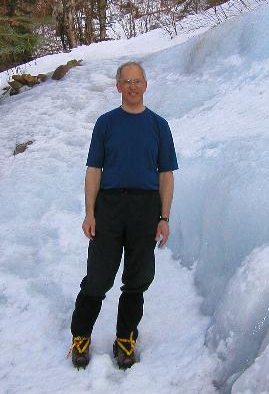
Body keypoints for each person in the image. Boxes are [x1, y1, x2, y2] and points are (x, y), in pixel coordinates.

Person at [67, 61, 178, 369]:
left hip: (145, 208)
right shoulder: (106, 123)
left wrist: (164, 217)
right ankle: (80, 337)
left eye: (137, 81)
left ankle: (125, 338)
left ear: (146, 85)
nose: (132, 86)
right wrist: (90, 213)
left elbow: (166, 175)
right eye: (126, 81)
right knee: (99, 278)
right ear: (118, 86)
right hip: (110, 207)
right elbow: (94, 170)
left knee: (138, 278)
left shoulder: (158, 125)